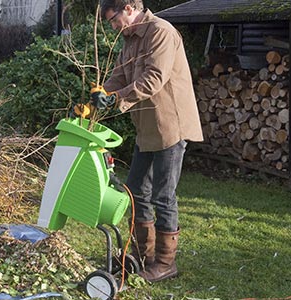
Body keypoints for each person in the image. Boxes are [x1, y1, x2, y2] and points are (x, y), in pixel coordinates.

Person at [91, 0, 204, 283]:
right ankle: (143, 256)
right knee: (135, 190)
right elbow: (119, 76)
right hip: (146, 128)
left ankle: (166, 263)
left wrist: (115, 98)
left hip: (169, 125)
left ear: (129, 7)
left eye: (114, 19)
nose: (113, 26)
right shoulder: (130, 41)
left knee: (163, 196)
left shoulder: (160, 32)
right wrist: (97, 97)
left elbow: (154, 78)